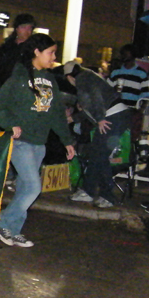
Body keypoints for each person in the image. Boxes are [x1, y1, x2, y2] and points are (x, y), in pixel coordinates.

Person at [0, 33, 75, 248]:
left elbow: (56, 113)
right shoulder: (19, 78)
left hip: (39, 142)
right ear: (36, 52)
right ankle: (3, 222)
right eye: (51, 52)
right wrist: (10, 125)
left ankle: (14, 230)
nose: (54, 57)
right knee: (33, 187)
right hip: (21, 141)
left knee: (23, 187)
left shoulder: (50, 80)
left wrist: (67, 141)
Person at [63, 60, 131, 208]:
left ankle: (108, 196)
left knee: (100, 155)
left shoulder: (83, 79)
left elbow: (95, 97)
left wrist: (100, 118)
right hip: (116, 114)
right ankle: (88, 191)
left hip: (113, 115)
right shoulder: (89, 75)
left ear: (69, 76)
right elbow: (89, 108)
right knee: (96, 153)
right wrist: (72, 119)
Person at [0, 13, 36, 83]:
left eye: (30, 28)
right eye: (23, 27)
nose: (27, 31)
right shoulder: (6, 46)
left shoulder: (34, 47)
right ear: (16, 28)